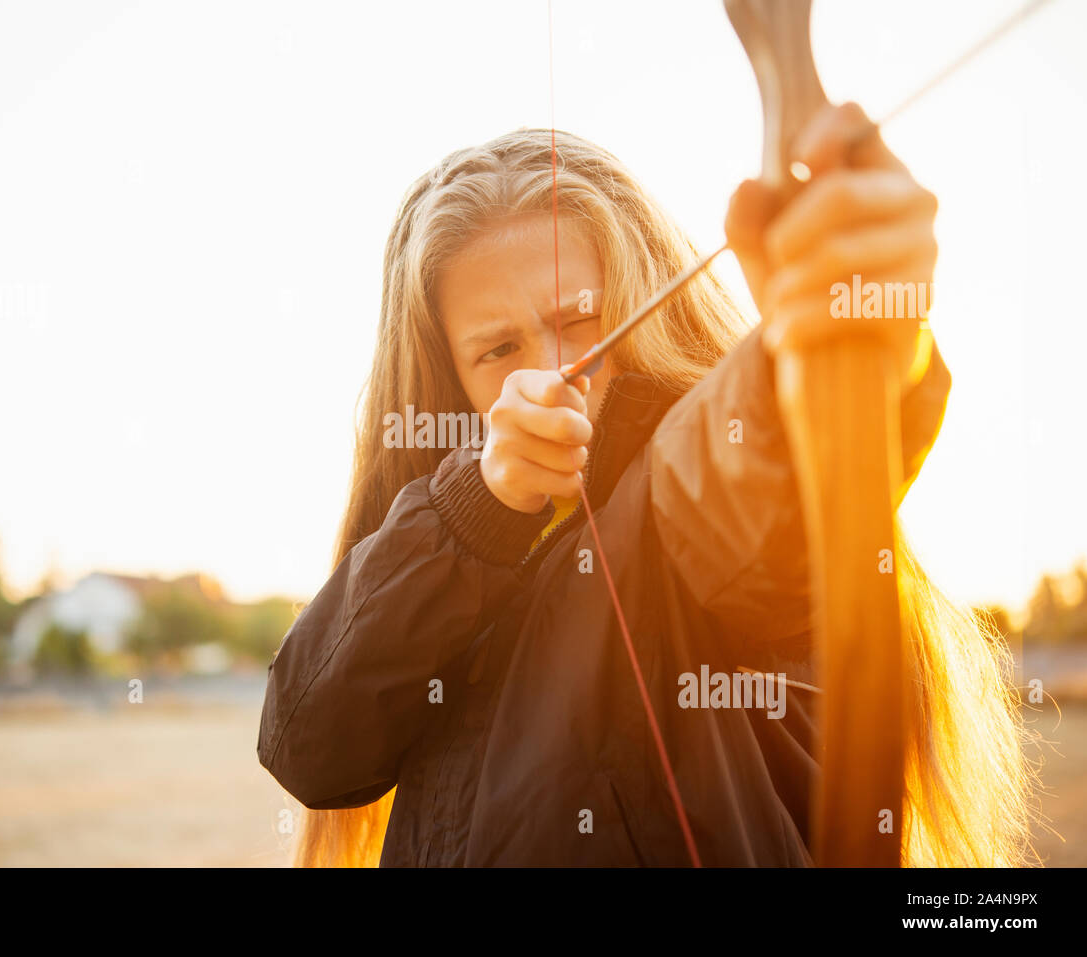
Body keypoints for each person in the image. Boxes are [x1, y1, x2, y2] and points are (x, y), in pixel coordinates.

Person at [258, 105, 1035, 866]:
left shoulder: (682, 488)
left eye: (580, 318)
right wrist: (472, 513)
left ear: (639, 304)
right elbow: (310, 741)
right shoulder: (443, 546)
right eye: (497, 348)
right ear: (449, 380)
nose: (550, 370)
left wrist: (840, 318)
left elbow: (760, 476)